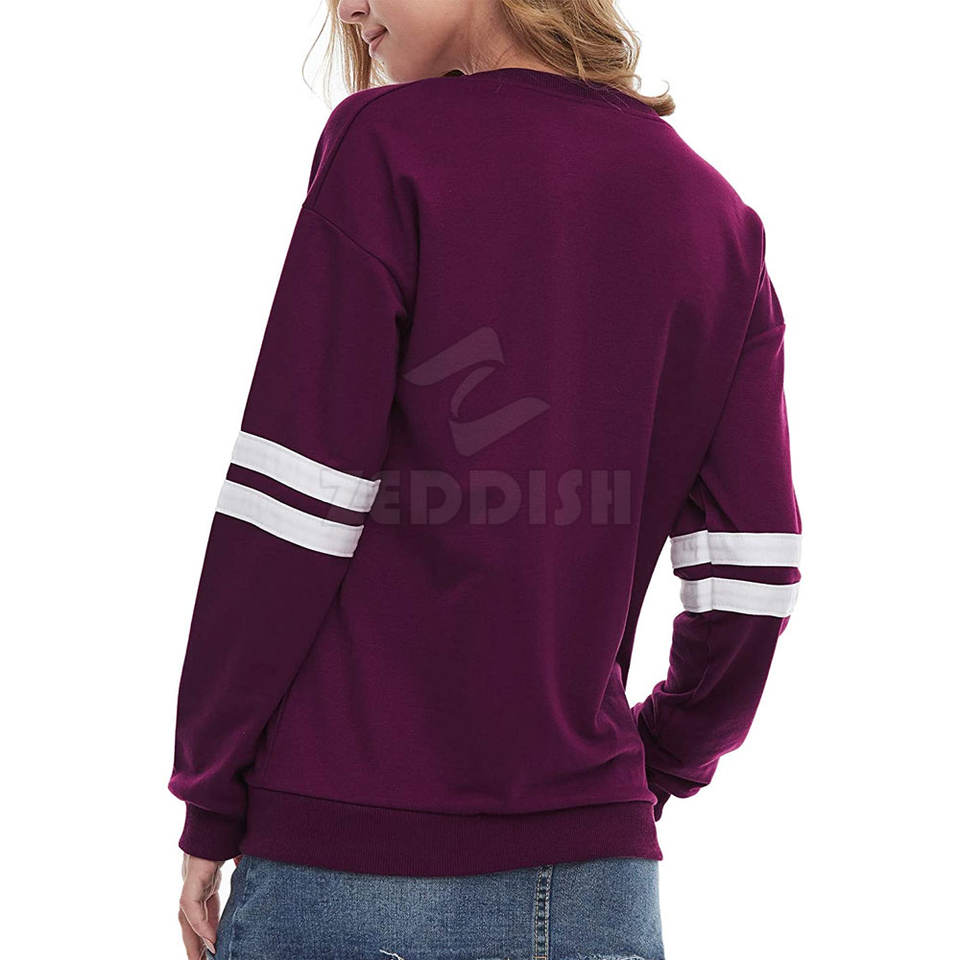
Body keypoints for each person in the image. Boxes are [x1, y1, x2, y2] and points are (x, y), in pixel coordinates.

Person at [169, 1, 803, 957]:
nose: (348, 7)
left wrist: (210, 794)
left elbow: (292, 509)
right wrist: (654, 764)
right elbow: (753, 575)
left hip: (347, 856)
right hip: (598, 882)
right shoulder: (714, 216)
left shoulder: (389, 147)